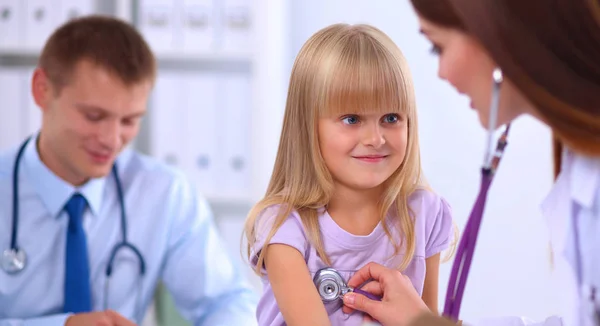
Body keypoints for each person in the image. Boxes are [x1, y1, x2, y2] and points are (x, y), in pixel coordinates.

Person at [340, 0, 600, 326]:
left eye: (438, 47)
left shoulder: (426, 211)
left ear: (499, 35)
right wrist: (420, 321)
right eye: (351, 119)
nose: (442, 73)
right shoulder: (581, 162)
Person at [0, 15, 258, 326]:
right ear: (42, 90)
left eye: (129, 121)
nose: (111, 140)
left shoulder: (163, 191)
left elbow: (227, 301)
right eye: (94, 116)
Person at [243, 23, 456, 326]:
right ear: (308, 126)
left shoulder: (425, 212)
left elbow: (428, 322)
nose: (375, 138)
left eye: (391, 118)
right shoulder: (285, 226)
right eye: (352, 119)